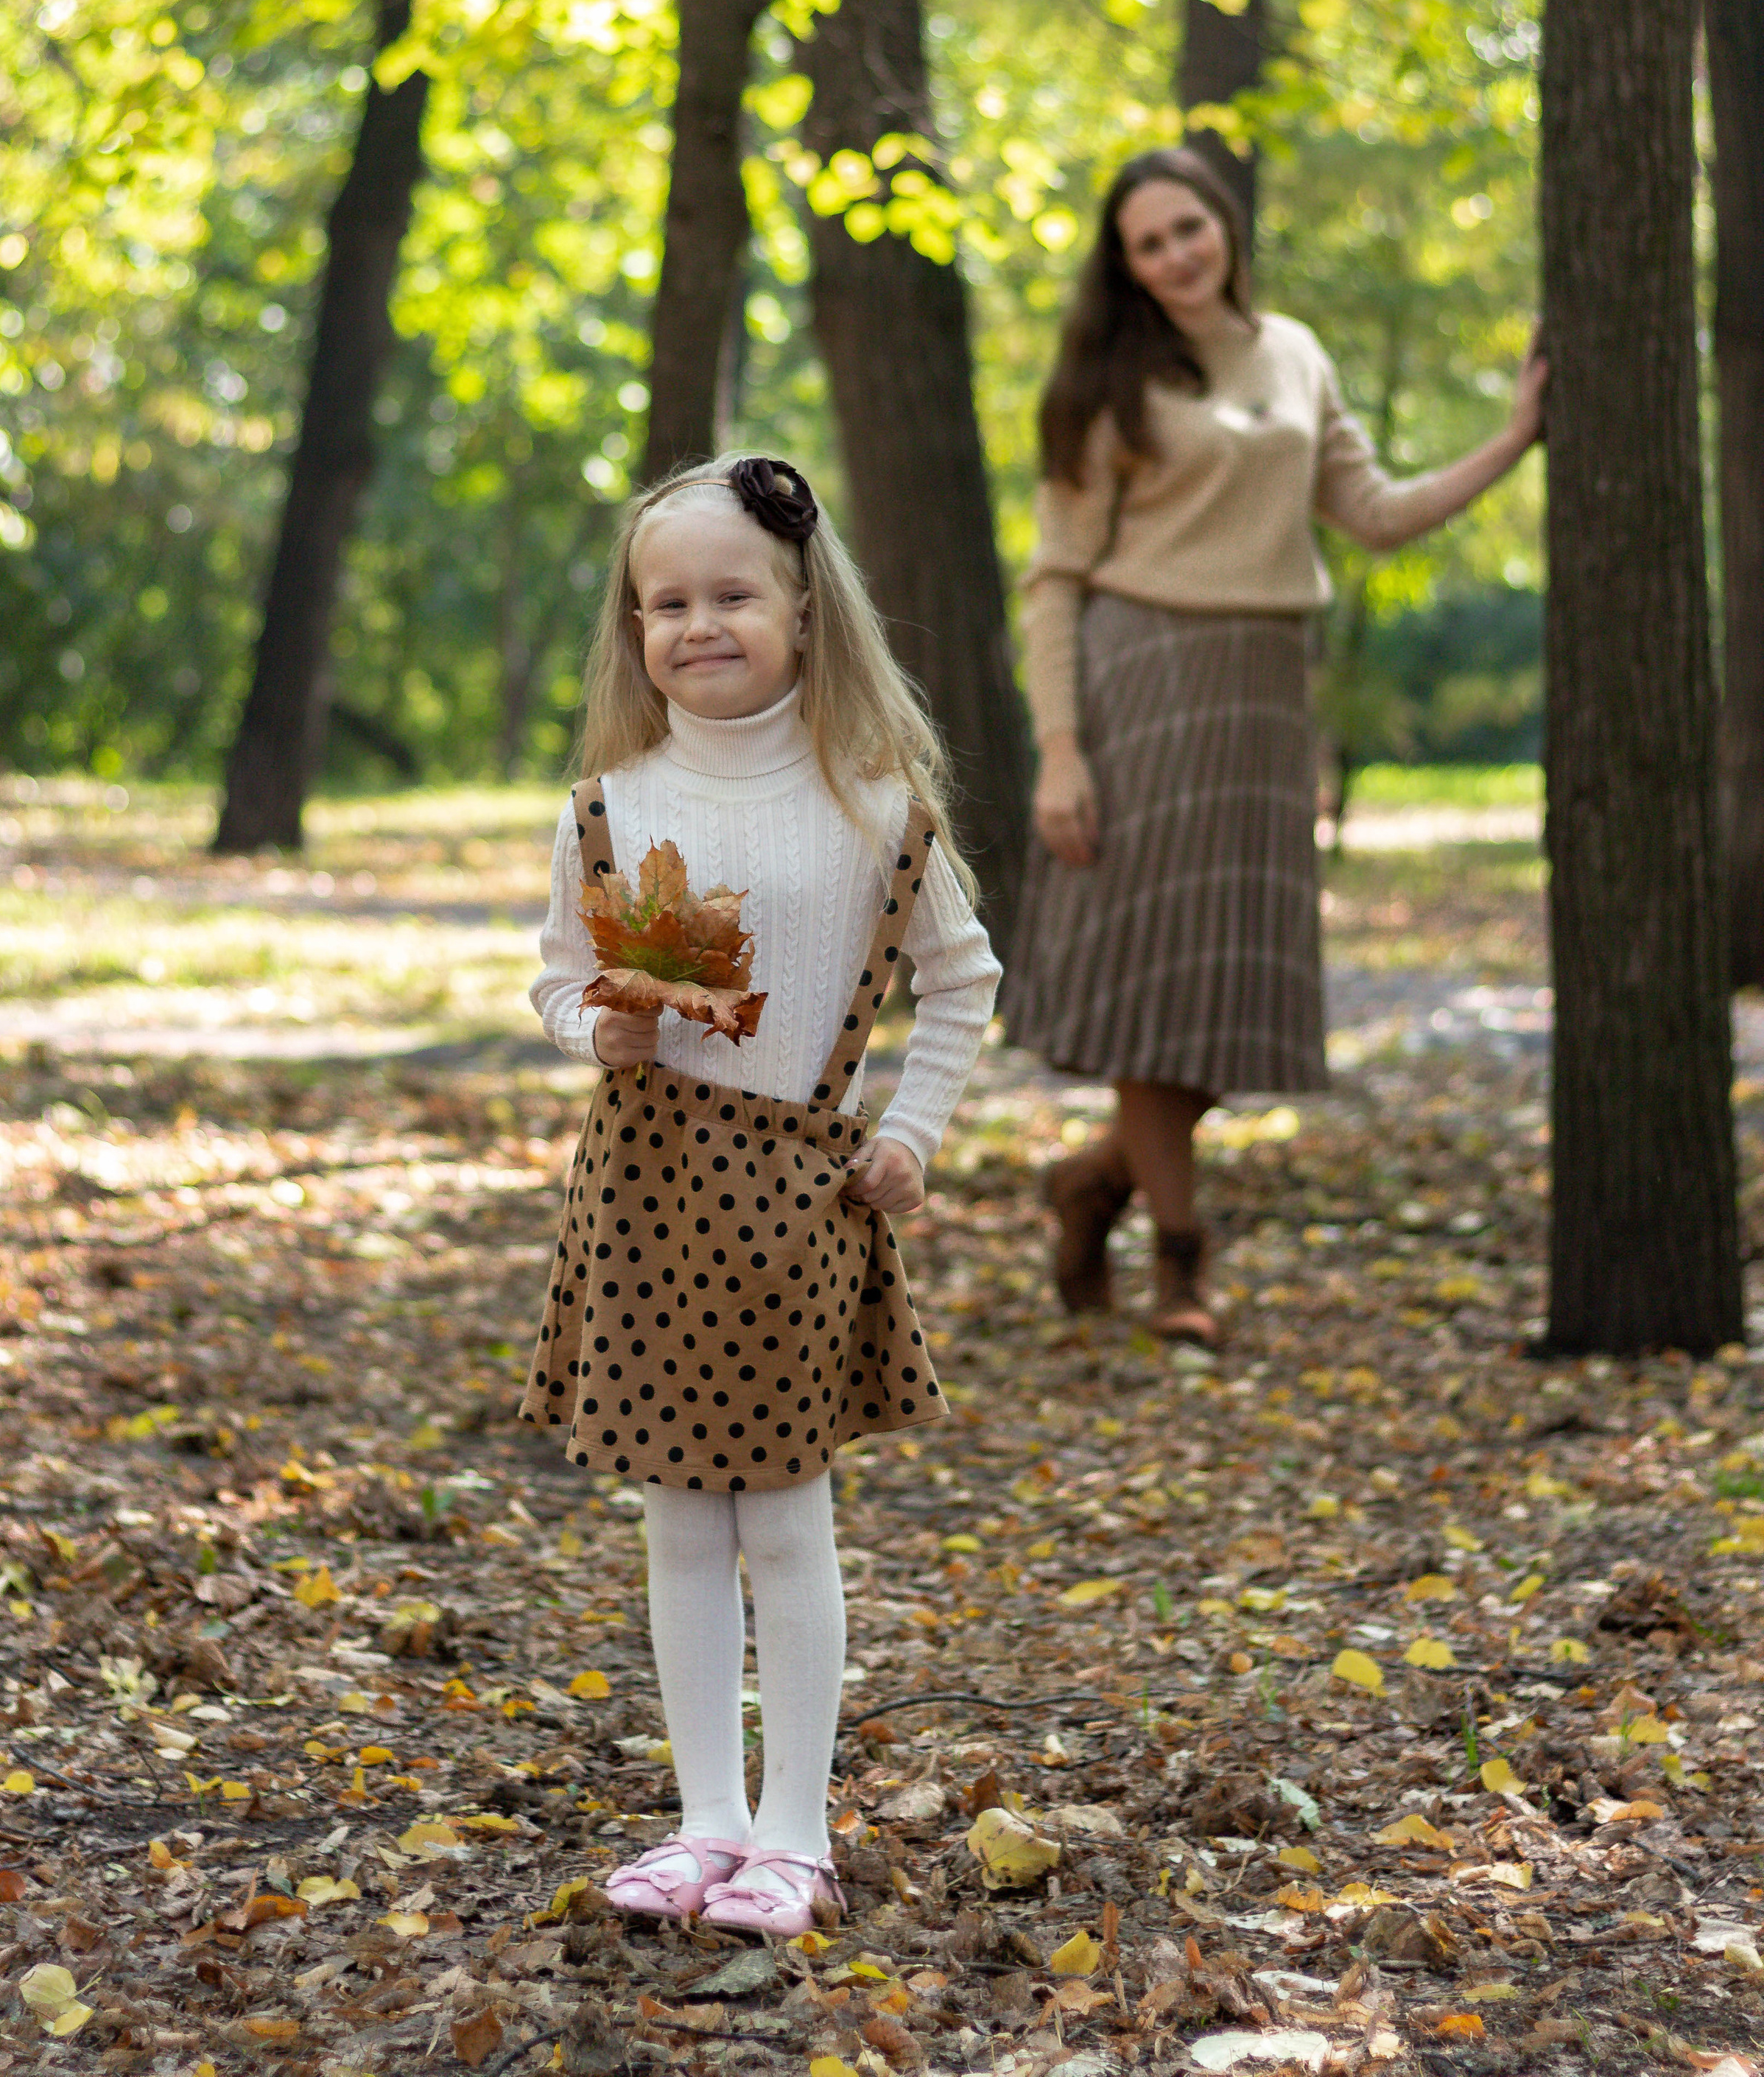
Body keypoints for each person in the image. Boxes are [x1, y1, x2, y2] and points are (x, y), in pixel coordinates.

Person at [521, 451, 999, 1937]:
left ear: (802, 608)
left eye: (730, 594)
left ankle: (795, 1832)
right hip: (646, 1195)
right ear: (633, 627)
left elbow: (962, 978)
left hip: (795, 1206)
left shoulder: (869, 806)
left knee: (785, 1519)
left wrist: (908, 1134)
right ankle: (703, 1819)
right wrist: (584, 1026)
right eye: (665, 602)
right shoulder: (609, 801)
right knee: (677, 1517)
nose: (696, 624)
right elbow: (549, 973)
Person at [999, 147, 1545, 1343]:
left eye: (1189, 228)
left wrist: (1514, 440)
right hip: (1140, 685)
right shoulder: (1104, 383)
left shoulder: (1294, 350)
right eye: (1149, 244)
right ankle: (1184, 1267)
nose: (1176, 255)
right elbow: (1053, 583)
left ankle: (1093, 1179)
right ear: (1127, 267)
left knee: (1229, 988)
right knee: (1159, 986)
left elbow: (1378, 514)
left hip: (1260, 695)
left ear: (1225, 225)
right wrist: (1061, 750)